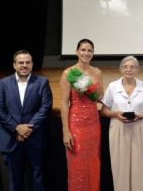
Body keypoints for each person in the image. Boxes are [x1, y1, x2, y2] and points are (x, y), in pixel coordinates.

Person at [0, 50, 53, 191]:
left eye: (27, 62)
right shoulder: (3, 83)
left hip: (35, 138)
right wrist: (16, 128)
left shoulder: (42, 82)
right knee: (14, 181)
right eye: (21, 62)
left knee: (38, 178)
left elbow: (45, 108)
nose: (24, 65)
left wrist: (28, 129)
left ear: (32, 64)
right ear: (14, 65)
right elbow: (0, 110)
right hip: (12, 139)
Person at [101, 56, 143, 191]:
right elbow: (104, 110)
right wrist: (115, 113)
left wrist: (141, 115)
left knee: (140, 166)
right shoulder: (113, 86)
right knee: (120, 166)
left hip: (140, 127)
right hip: (118, 128)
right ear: (120, 69)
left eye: (132, 67)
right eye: (125, 67)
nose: (129, 69)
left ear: (137, 70)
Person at [60, 39, 103, 191]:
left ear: (93, 53)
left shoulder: (97, 72)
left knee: (92, 163)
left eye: (89, 50)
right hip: (76, 125)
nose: (86, 53)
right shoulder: (68, 73)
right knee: (77, 166)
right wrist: (66, 131)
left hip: (93, 124)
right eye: (83, 50)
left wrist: (92, 90)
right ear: (77, 52)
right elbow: (64, 104)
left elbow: (99, 97)